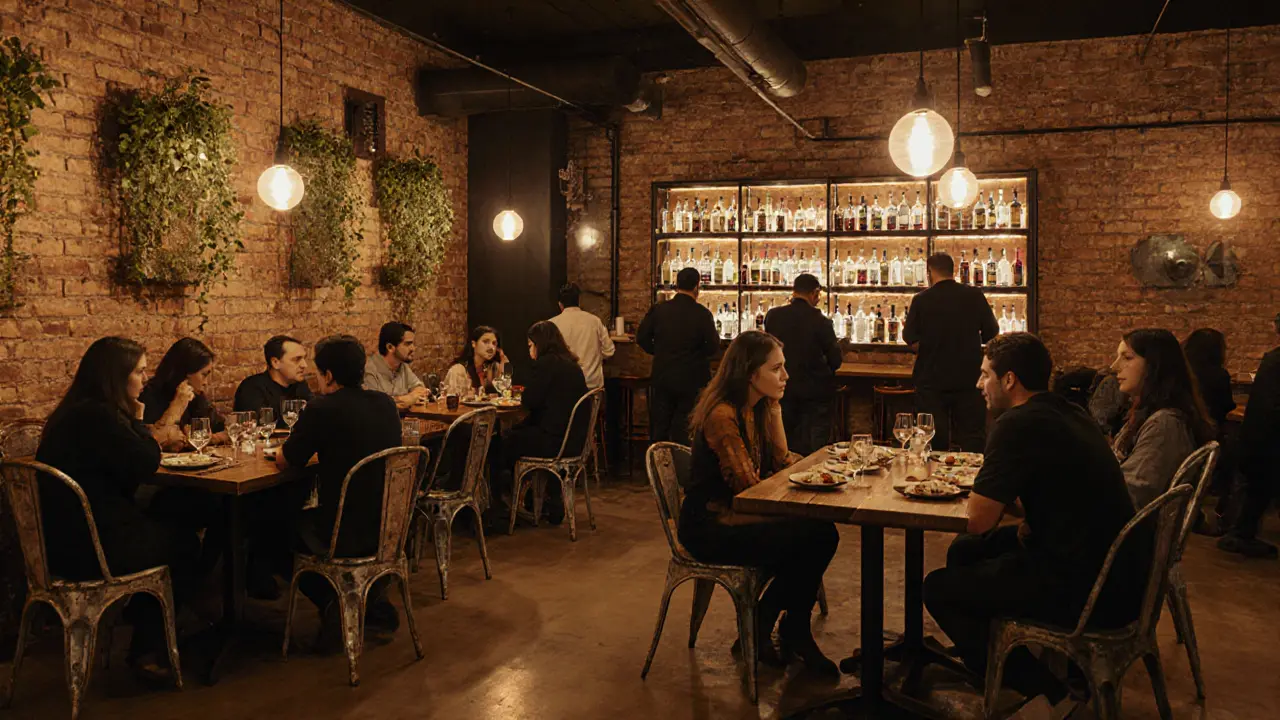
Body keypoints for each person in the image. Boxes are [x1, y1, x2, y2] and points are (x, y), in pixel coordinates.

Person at [923, 333, 1152, 704]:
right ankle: (989, 655)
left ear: (1009, 380)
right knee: (965, 551)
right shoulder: (1068, 411)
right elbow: (1048, 491)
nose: (978, 384)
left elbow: (979, 519)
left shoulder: (1017, 424)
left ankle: (1044, 691)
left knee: (938, 587)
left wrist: (992, 491)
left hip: (1089, 589)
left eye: (985, 375)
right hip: (1119, 573)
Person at [35, 337, 203, 681]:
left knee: (174, 507)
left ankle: (150, 621)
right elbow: (146, 461)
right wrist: (138, 419)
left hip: (58, 541)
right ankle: (147, 647)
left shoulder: (73, 412)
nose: (144, 379)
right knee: (185, 544)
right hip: (91, 547)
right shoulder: (99, 417)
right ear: (116, 376)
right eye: (139, 372)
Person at [678, 331, 839, 676]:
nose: (786, 376)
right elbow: (748, 490)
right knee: (816, 537)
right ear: (751, 374)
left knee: (819, 534)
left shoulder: (757, 408)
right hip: (710, 525)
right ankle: (777, 626)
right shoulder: (723, 416)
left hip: (738, 514)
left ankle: (772, 626)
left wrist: (776, 409)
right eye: (776, 368)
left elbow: (781, 463)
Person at [275, 335, 404, 632]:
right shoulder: (385, 404)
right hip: (389, 526)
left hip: (342, 532)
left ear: (329, 375)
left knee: (272, 529)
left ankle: (332, 599)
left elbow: (287, 460)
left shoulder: (322, 408)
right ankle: (370, 597)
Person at [903, 253, 998, 452]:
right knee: (972, 438)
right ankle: (972, 471)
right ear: (953, 270)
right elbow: (991, 333)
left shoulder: (921, 300)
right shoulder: (974, 296)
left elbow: (910, 338)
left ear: (929, 272)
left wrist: (931, 347)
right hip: (968, 379)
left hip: (931, 380)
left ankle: (933, 473)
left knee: (932, 439)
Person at [1110, 329, 1213, 509]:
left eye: (1127, 358)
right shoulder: (1146, 414)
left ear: (1154, 366)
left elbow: (1131, 496)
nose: (1114, 366)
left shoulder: (1164, 424)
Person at [499, 321, 588, 525]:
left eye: (531, 345)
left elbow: (531, 400)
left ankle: (504, 503)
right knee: (517, 435)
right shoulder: (571, 365)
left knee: (503, 443)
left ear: (540, 344)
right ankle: (544, 499)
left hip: (554, 442)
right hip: (575, 441)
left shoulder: (546, 364)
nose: (530, 351)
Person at [1219, 312, 1280, 559]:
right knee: (1256, 490)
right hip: (1266, 441)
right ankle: (1238, 535)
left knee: (1254, 489)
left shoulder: (1272, 360)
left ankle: (1237, 532)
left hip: (1257, 438)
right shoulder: (1275, 361)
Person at [637, 267, 719, 444]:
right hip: (692, 379)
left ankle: (658, 459)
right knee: (686, 428)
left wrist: (659, 351)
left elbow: (641, 337)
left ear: (676, 284)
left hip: (663, 376)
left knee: (660, 427)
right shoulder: (702, 314)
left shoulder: (659, 310)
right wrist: (696, 355)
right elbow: (713, 347)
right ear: (697, 287)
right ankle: (682, 459)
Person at [764, 273, 842, 455]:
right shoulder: (821, 321)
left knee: (783, 445)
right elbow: (836, 361)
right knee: (813, 449)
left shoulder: (773, 316)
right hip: (814, 394)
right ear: (814, 293)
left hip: (781, 391)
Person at [139, 336, 227, 450]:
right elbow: (153, 443)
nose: (206, 382)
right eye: (204, 375)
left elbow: (225, 429)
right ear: (186, 373)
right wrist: (177, 405)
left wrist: (211, 438)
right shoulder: (149, 395)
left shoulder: (196, 397)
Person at [234, 335, 314, 427]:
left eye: (304, 358)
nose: (304, 365)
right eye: (297, 359)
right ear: (275, 362)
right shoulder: (252, 389)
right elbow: (260, 428)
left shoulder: (300, 385)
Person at [549, 283, 615, 391]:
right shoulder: (595, 321)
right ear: (579, 301)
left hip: (562, 387)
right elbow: (609, 351)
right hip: (591, 387)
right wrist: (595, 356)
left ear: (560, 304)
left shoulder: (551, 324)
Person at [364, 321, 427, 410]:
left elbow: (421, 389)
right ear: (390, 347)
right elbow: (375, 405)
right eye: (408, 344)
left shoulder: (402, 366)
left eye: (413, 344)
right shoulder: (369, 370)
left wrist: (409, 399)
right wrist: (409, 399)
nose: (413, 348)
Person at [443, 325, 509, 397]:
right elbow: (453, 400)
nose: (491, 347)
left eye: (494, 343)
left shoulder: (493, 368)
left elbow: (506, 395)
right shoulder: (459, 370)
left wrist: (503, 364)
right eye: (486, 342)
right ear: (474, 344)